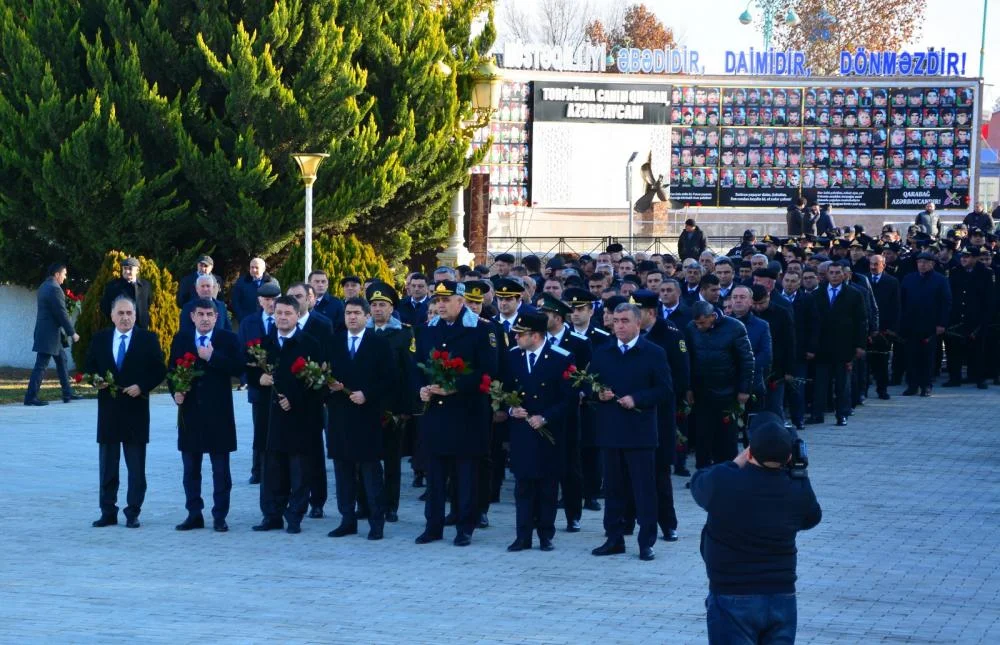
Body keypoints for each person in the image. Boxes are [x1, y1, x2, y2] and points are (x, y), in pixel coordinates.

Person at [691, 420, 822, 644]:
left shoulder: (724, 482)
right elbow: (812, 517)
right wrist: (801, 473)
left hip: (732, 594)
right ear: (789, 457)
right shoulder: (795, 490)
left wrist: (736, 462)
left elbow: (699, 482)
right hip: (781, 594)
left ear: (749, 452)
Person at [414, 281, 498, 547]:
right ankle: (433, 526)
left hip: (467, 413)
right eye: (437, 300)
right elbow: (416, 368)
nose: (440, 304)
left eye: (446, 299)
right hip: (436, 414)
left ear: (461, 302)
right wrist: (422, 389)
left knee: (466, 475)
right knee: (435, 473)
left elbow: (489, 371)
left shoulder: (481, 330)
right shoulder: (427, 329)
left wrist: (455, 387)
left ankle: (465, 526)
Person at [589, 303, 672, 562]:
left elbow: (665, 390)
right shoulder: (603, 352)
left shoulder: (653, 353)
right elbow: (589, 384)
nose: (620, 326)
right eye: (615, 321)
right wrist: (597, 393)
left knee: (643, 489)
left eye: (625, 321)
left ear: (638, 323)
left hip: (640, 433)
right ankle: (614, 538)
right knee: (613, 488)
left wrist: (637, 398)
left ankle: (646, 541)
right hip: (611, 430)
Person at [84, 296, 166, 528]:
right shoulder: (100, 339)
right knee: (108, 465)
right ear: (112, 316)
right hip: (109, 412)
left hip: (136, 411)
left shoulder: (147, 339)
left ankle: (133, 512)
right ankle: (107, 511)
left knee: (136, 467)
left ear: (135, 315)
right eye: (120, 313)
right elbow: (89, 366)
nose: (125, 317)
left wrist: (142, 385)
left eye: (129, 313)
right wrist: (95, 381)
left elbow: (159, 369)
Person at [249, 295, 325, 534]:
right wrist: (257, 379)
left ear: (297, 316)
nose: (282, 317)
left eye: (287, 313)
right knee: (271, 469)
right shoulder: (263, 344)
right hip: (270, 418)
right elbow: (248, 370)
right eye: (278, 313)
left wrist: (295, 399)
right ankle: (271, 515)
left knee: (298, 470)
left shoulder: (309, 343)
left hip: (299, 418)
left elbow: (317, 382)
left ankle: (295, 515)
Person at [499, 312, 574, 552]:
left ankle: (545, 533)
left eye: (521, 334)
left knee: (547, 485)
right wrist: (511, 409)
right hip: (522, 430)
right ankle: (522, 535)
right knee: (523, 484)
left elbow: (569, 398)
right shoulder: (512, 357)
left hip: (548, 430)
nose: (517, 338)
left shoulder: (561, 358)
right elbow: (501, 390)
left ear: (536, 335)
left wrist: (546, 417)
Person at [167, 298, 244, 532]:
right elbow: (171, 371)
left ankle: (219, 515)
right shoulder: (181, 339)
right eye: (200, 314)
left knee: (220, 470)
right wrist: (175, 392)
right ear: (192, 316)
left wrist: (213, 357)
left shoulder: (227, 339)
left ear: (216, 317)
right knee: (191, 469)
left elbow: (239, 368)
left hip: (218, 415)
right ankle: (194, 513)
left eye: (209, 314)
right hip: (190, 415)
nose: (205, 318)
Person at [326, 297, 394, 540]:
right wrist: (329, 387)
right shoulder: (333, 342)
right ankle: (347, 519)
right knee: (343, 472)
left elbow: (389, 380)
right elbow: (322, 375)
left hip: (367, 417)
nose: (352, 317)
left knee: (370, 471)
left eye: (356, 313)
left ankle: (377, 521)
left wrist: (368, 394)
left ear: (367, 316)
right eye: (348, 313)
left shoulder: (379, 344)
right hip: (339, 416)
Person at [634, 290, 688, 542]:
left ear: (651, 313)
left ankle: (668, 523)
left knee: (659, 473)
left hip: (659, 414)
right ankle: (628, 521)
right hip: (631, 413)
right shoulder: (631, 334)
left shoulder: (670, 335)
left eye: (638, 312)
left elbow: (680, 376)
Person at [535, 292, 590, 532]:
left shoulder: (578, 342)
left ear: (557, 317)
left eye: (545, 314)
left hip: (568, 412)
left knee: (570, 467)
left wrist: (582, 392)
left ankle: (572, 514)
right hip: (541, 411)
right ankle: (540, 514)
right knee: (543, 466)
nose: (542, 318)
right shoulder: (538, 339)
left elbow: (588, 374)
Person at [365, 282, 418, 523]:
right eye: (374, 305)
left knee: (391, 460)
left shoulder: (404, 333)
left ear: (391, 308)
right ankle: (365, 503)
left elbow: (410, 374)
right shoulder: (362, 332)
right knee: (365, 458)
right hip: (365, 406)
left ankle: (390, 505)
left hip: (392, 408)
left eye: (382, 305)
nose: (377, 310)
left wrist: (407, 409)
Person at [684, 301, 754, 469]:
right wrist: (687, 387)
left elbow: (747, 360)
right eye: (697, 323)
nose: (699, 327)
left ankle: (727, 472)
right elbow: (687, 359)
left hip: (727, 392)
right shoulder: (691, 328)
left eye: (703, 323)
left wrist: (745, 389)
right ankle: (702, 473)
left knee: (726, 437)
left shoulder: (735, 327)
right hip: (701, 391)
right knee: (702, 436)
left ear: (713, 317)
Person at [286, 282, 335, 517]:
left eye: (299, 296)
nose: (295, 300)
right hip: (287, 400)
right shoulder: (281, 324)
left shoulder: (322, 325)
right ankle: (293, 499)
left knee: (314, 451)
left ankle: (317, 500)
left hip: (314, 398)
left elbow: (327, 360)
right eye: (290, 297)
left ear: (310, 299)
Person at [810, 263, 866, 425]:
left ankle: (842, 414)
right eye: (831, 273)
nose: (834, 276)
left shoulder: (854, 294)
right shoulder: (817, 294)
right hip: (822, 347)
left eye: (837, 273)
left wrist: (859, 345)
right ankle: (817, 414)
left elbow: (861, 322)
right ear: (826, 275)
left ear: (844, 275)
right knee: (820, 384)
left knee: (843, 384)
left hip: (844, 347)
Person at [236, 281, 282, 484]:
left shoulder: (284, 320)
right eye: (266, 299)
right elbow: (240, 355)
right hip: (257, 386)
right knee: (259, 429)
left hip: (281, 387)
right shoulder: (249, 323)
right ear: (259, 301)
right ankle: (258, 470)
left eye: (274, 299)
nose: (270, 303)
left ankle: (276, 469)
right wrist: (249, 380)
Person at [25, 263, 80, 406]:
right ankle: (31, 397)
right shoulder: (55, 289)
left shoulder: (44, 286)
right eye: (64, 274)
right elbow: (61, 314)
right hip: (49, 334)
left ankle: (67, 394)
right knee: (41, 365)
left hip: (49, 333)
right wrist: (72, 333)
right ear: (57, 274)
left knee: (62, 361)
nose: (65, 277)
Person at [900, 251, 951, 396]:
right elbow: (902, 301)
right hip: (911, 324)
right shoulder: (909, 278)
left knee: (927, 357)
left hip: (930, 325)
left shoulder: (940, 280)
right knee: (911, 356)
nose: (921, 265)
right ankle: (912, 385)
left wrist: (942, 323)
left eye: (925, 262)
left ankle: (926, 385)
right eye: (919, 262)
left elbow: (946, 303)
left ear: (932, 264)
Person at [944, 248, 993, 389]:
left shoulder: (986, 273)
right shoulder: (955, 271)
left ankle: (978, 379)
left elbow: (989, 299)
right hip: (957, 319)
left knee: (977, 351)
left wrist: (984, 320)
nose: (964, 259)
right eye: (962, 256)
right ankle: (954, 378)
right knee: (954, 350)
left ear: (976, 258)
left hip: (976, 319)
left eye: (968, 256)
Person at [751, 284, 795, 419]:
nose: (758, 307)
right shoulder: (748, 314)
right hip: (754, 369)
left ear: (768, 297)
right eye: (755, 304)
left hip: (776, 369)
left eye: (762, 303)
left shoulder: (782, 313)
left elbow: (790, 342)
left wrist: (789, 370)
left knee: (775, 406)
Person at [867, 255, 901, 399]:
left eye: (876, 264)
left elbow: (896, 306)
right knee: (866, 361)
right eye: (871, 264)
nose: (873, 267)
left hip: (884, 329)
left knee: (882, 361)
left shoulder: (891, 282)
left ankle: (882, 389)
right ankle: (862, 390)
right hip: (868, 328)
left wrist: (893, 328)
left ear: (883, 266)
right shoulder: (864, 279)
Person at [100, 257, 152, 329]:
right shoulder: (113, 286)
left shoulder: (145, 285)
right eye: (125, 268)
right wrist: (117, 318)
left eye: (130, 269)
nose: (127, 271)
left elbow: (148, 303)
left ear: (137, 270)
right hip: (120, 327)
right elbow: (105, 306)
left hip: (141, 327)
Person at [230, 257, 279, 324]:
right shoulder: (242, 282)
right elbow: (235, 301)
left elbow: (277, 301)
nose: (253, 270)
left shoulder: (272, 282)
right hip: (247, 320)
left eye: (256, 267)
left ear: (263, 269)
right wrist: (241, 317)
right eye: (251, 267)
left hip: (267, 321)